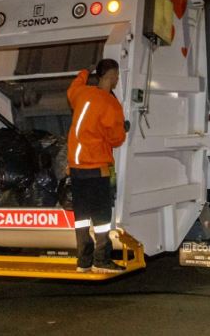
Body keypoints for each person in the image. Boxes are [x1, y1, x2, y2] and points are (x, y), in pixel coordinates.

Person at [67, 58, 127, 274]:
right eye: (117, 76)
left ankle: (83, 261)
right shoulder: (110, 104)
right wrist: (123, 129)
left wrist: (85, 69)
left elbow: (72, 88)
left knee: (81, 217)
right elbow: (117, 139)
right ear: (111, 77)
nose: (117, 79)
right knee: (101, 217)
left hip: (75, 167)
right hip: (97, 168)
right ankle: (101, 260)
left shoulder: (81, 94)